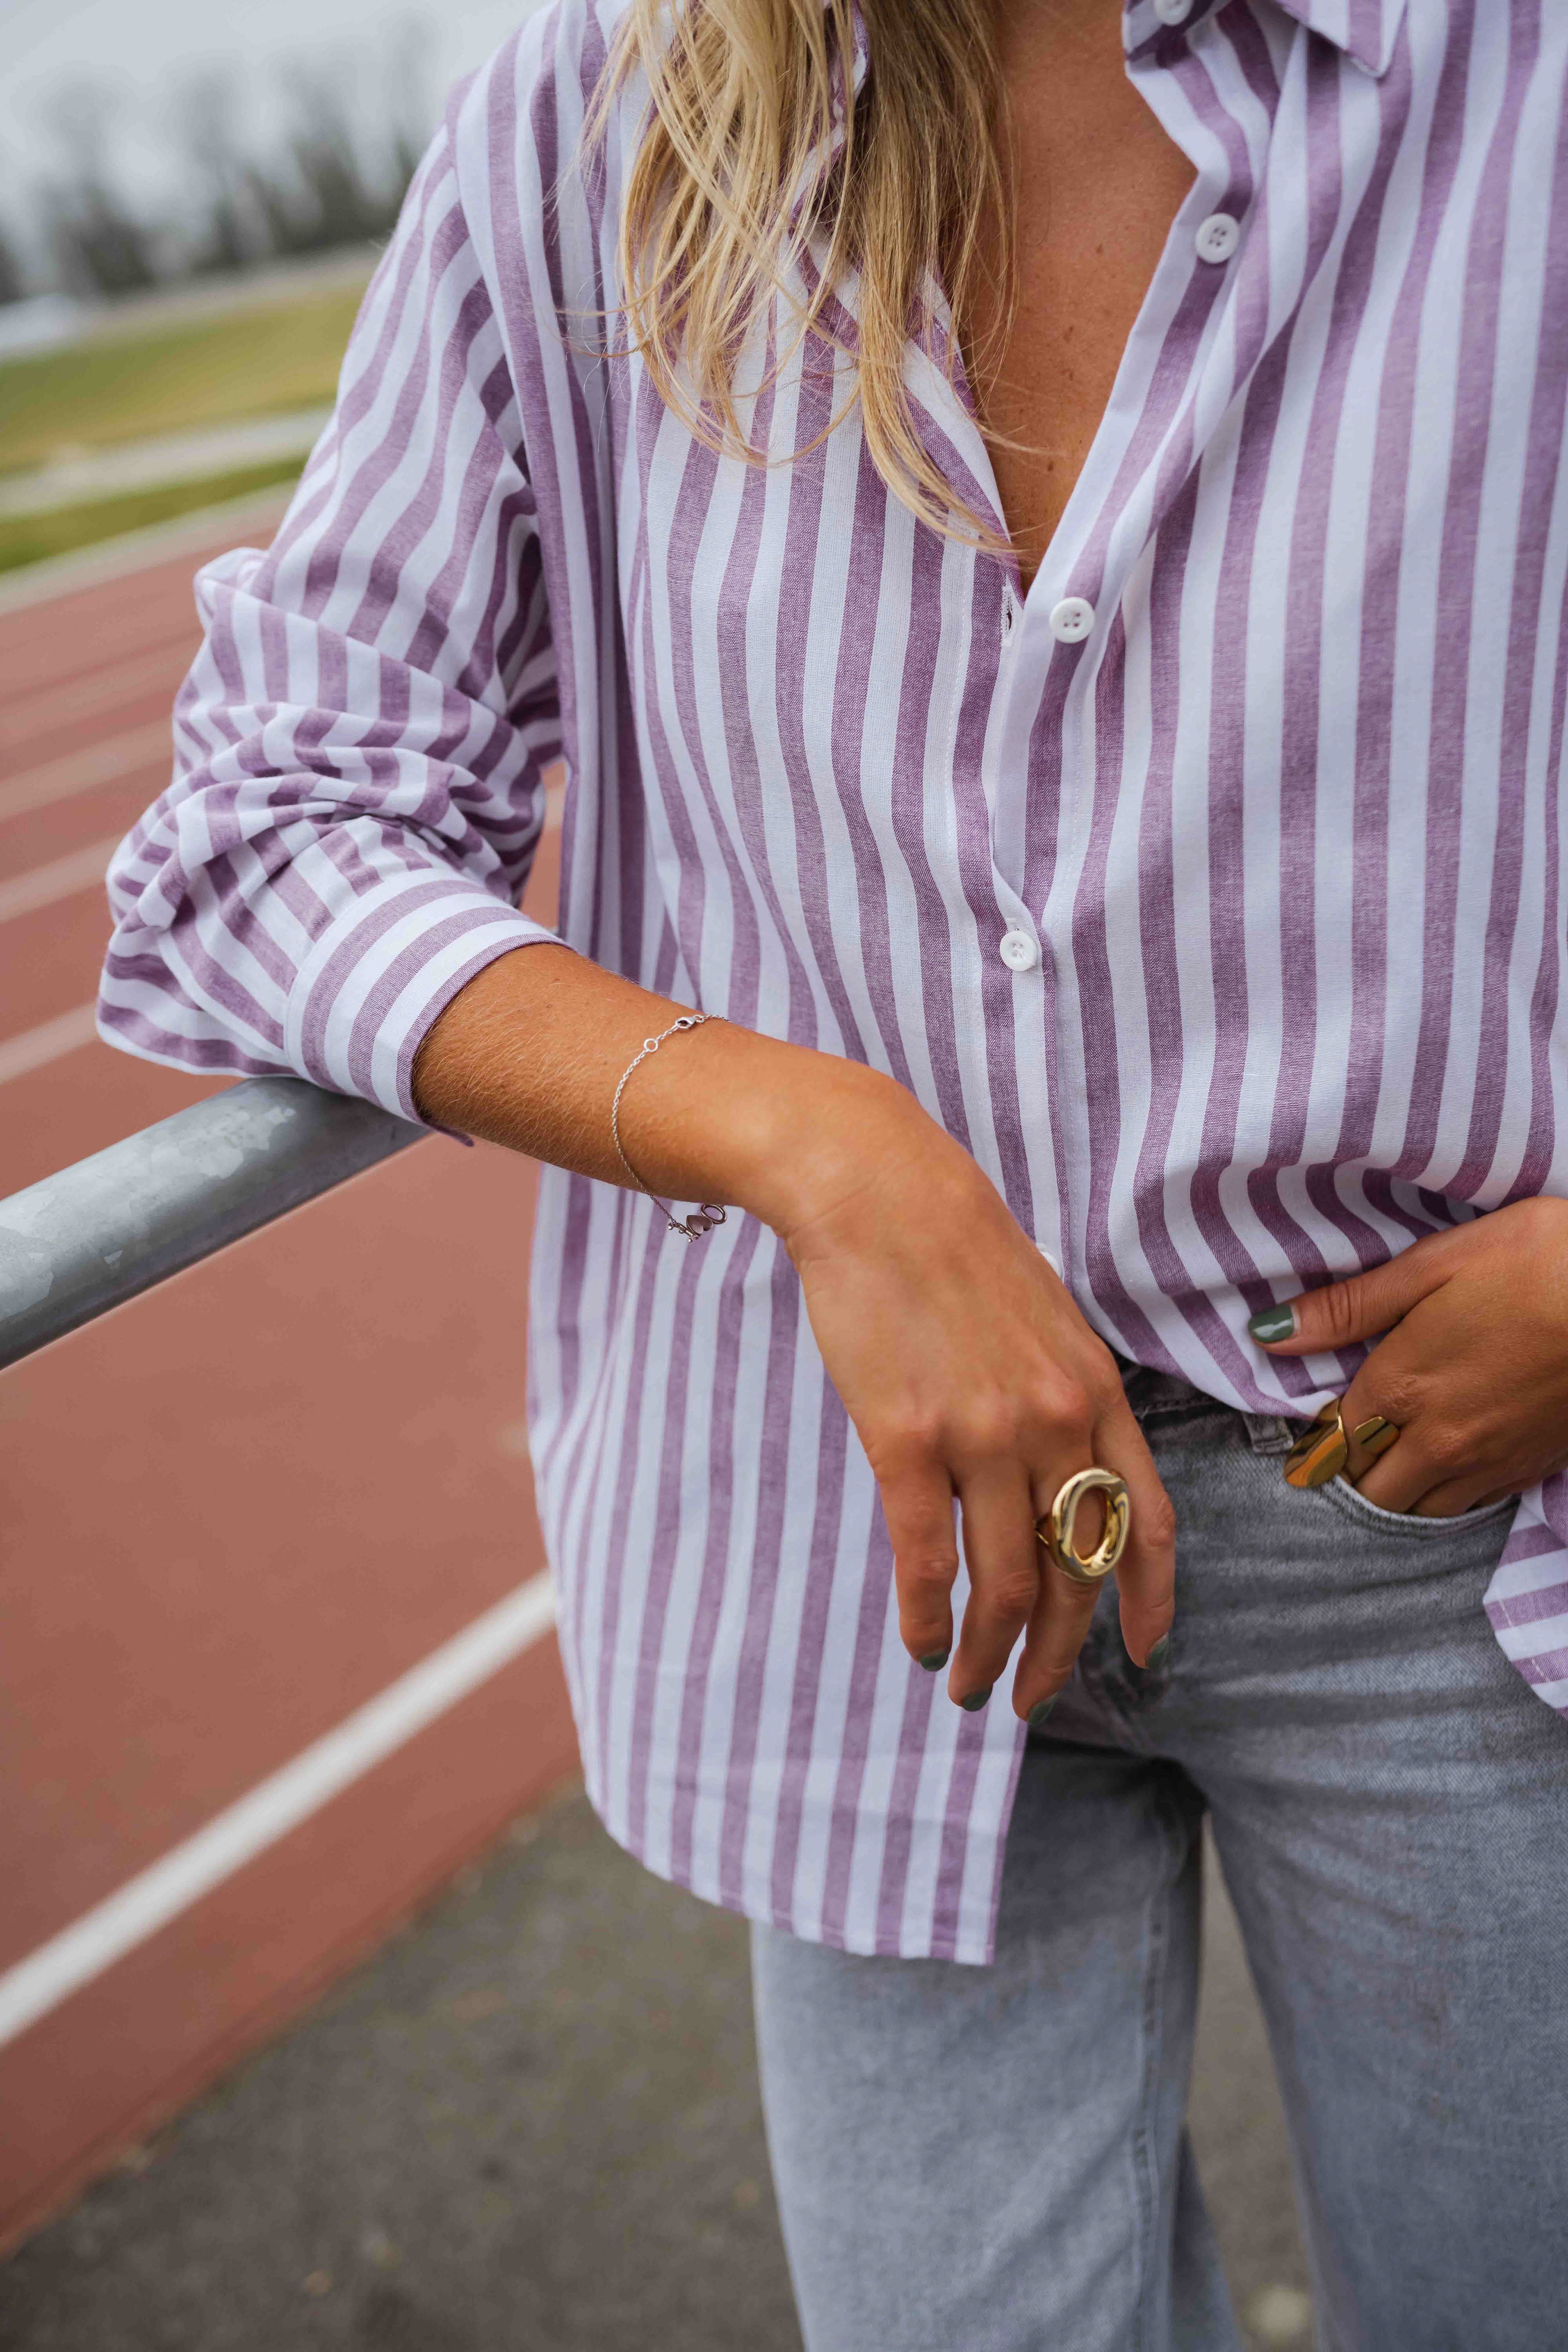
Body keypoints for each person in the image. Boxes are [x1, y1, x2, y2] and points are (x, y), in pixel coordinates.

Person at [100, 0, 1568, 2342]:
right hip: (868, 1543)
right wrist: (817, 1144)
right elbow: (271, 826)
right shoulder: (603, 115)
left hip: (1459, 1532)